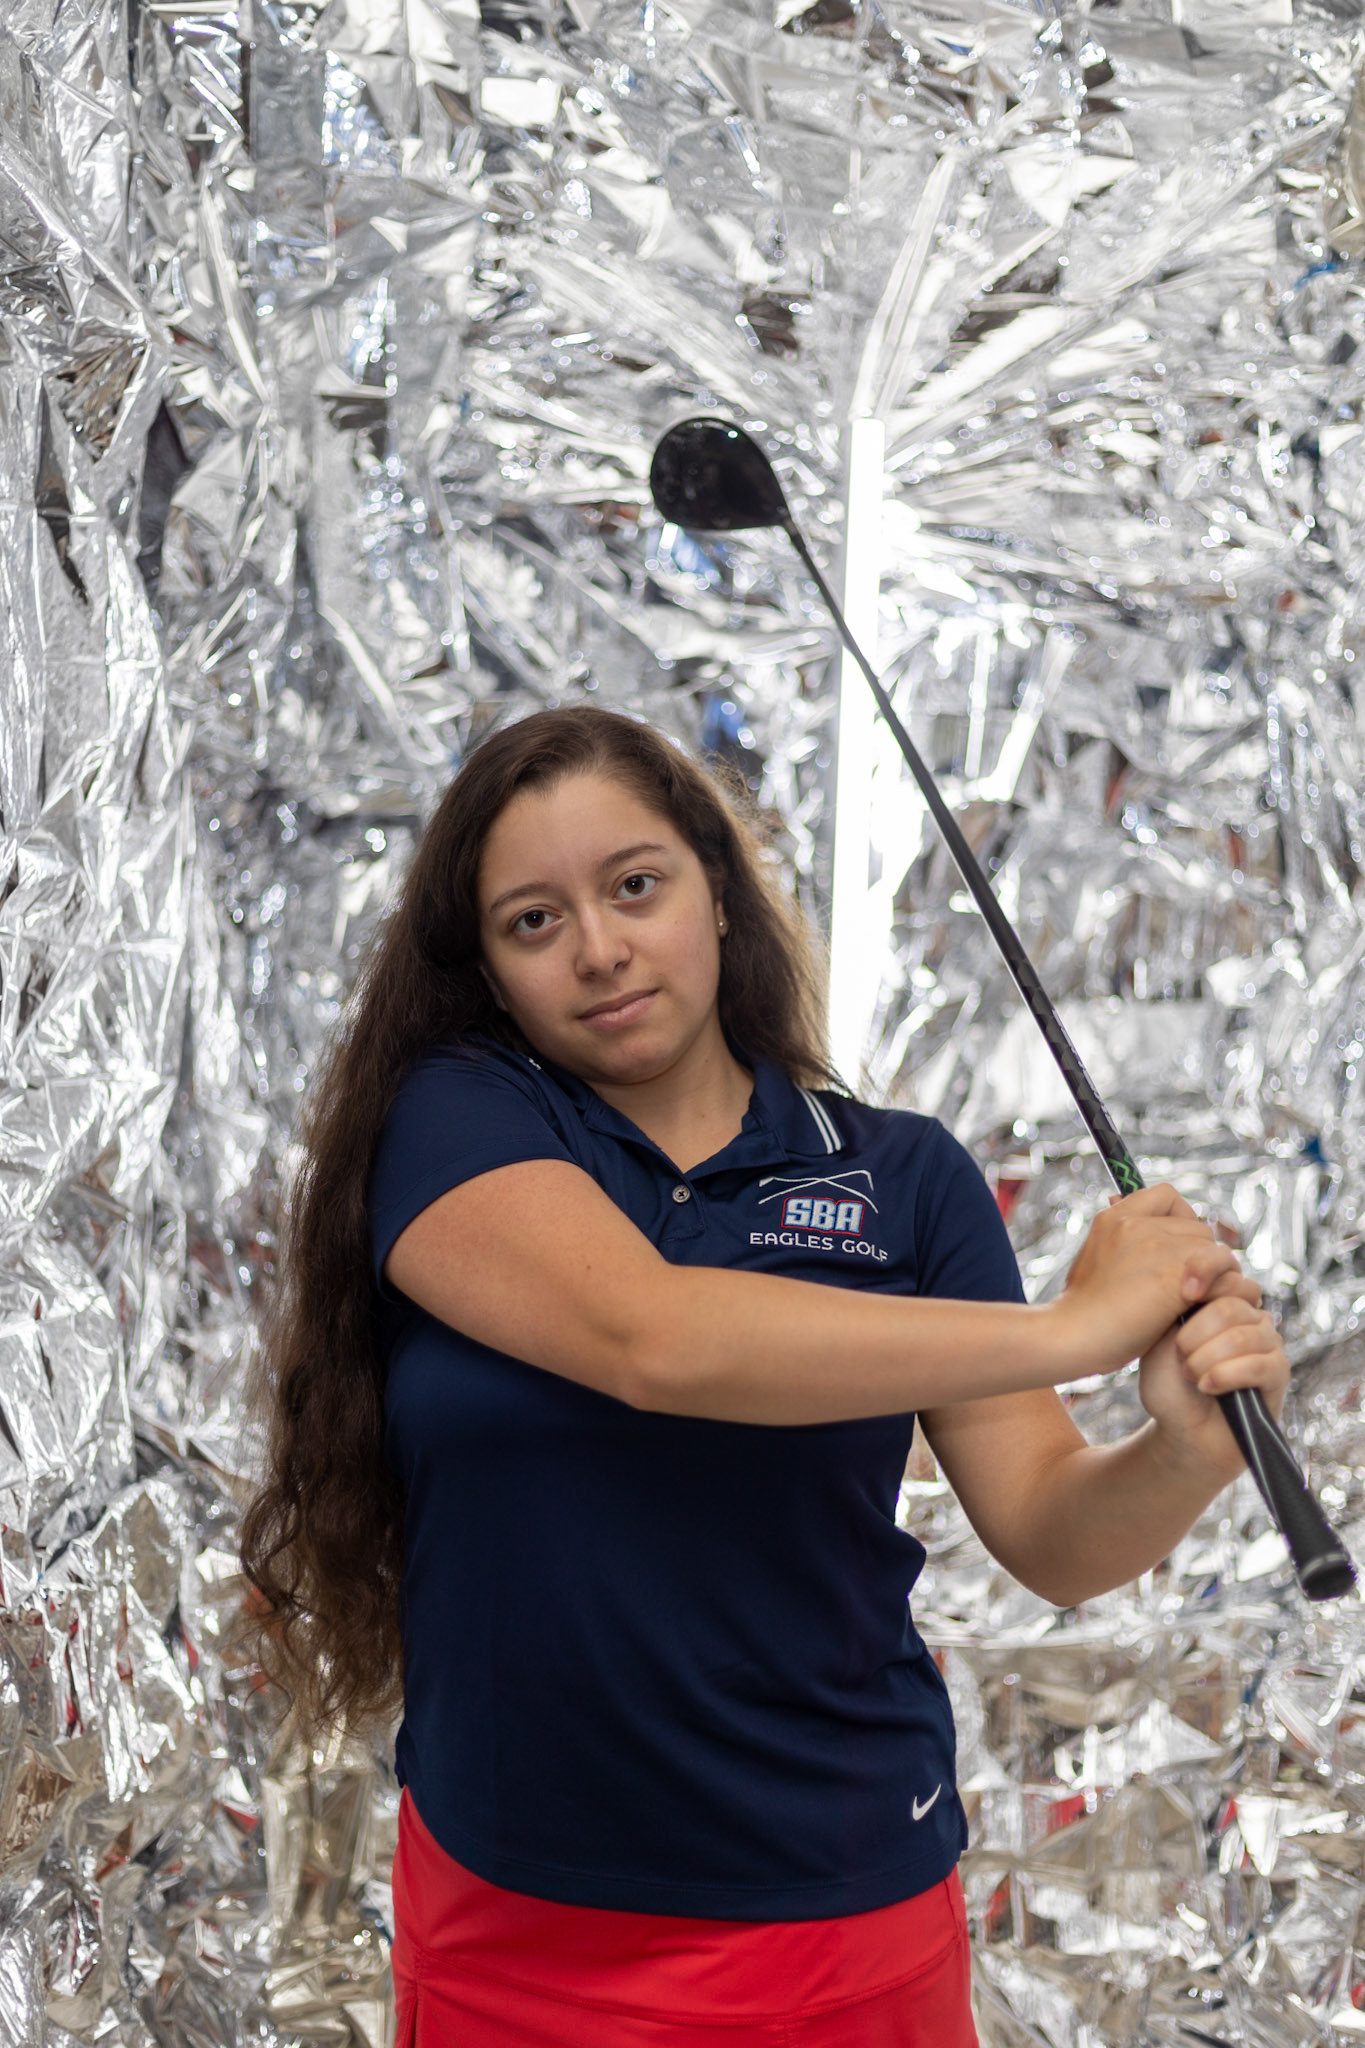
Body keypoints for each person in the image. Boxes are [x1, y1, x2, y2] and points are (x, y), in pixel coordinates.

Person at [240, 705, 1288, 2048]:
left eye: (635, 885)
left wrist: (1185, 1451)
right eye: (533, 921)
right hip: (519, 1927)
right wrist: (1076, 1329)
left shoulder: (902, 1178)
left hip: (838, 1915)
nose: (599, 948)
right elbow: (655, 1340)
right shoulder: (454, 1123)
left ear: (720, 895)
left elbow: (1053, 1534)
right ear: (489, 973)